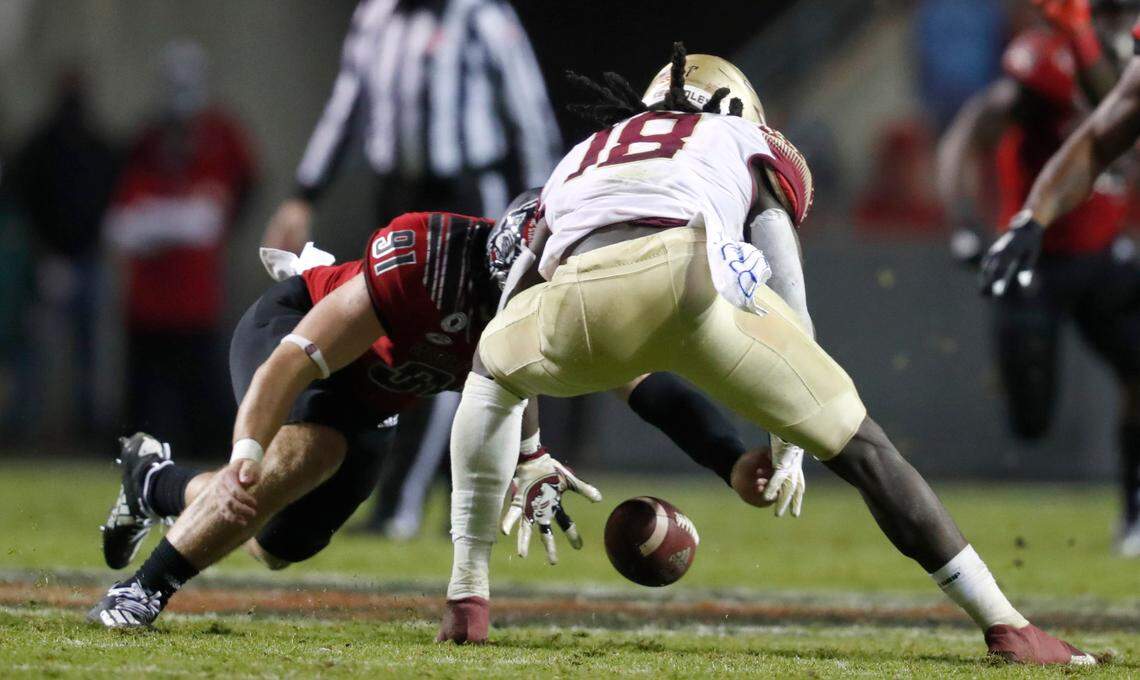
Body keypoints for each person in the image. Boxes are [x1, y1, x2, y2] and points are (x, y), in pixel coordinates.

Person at [435, 44, 1095, 665]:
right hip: (688, 277)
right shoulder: (745, 139)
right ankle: (1007, 624)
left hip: (574, 297)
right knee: (865, 449)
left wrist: (524, 447)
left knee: (490, 374)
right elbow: (784, 281)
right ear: (735, 106)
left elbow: (514, 300)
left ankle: (467, 597)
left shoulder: (583, 152)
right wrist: (791, 435)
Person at [87, 203, 763, 628]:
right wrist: (246, 455)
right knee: (302, 459)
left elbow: (651, 390)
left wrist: (732, 460)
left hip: (377, 401)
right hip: (297, 335)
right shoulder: (425, 262)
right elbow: (290, 363)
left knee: (275, 544)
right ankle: (141, 593)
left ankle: (153, 483)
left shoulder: (568, 310)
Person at [262, 0, 563, 538]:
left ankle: (419, 500)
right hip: (399, 195)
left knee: (464, 347)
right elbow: (347, 104)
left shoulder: (483, 17)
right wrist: (304, 193)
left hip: (474, 195)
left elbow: (529, 113)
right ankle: (405, 497)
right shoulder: (376, 16)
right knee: (400, 341)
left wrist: (553, 216)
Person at [938, 1, 1140, 555]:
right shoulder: (1046, 56)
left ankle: (1135, 514)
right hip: (1039, 261)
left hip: (1103, 254)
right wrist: (966, 222)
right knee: (1031, 420)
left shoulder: (1109, 53)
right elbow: (973, 129)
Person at [105, 41, 258, 459]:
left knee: (201, 389)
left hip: (196, 297)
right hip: (151, 302)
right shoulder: (146, 146)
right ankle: (143, 459)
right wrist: (176, 218)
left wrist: (165, 220)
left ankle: (205, 453)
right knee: (148, 395)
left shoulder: (221, 136)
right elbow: (123, 225)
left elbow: (219, 210)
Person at [10, 68, 119, 435]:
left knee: (87, 351)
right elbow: (24, 199)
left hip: (88, 259)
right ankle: (29, 429)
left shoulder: (96, 143)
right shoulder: (41, 145)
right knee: (37, 352)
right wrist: (46, 254)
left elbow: (111, 198)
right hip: (50, 262)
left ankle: (86, 429)